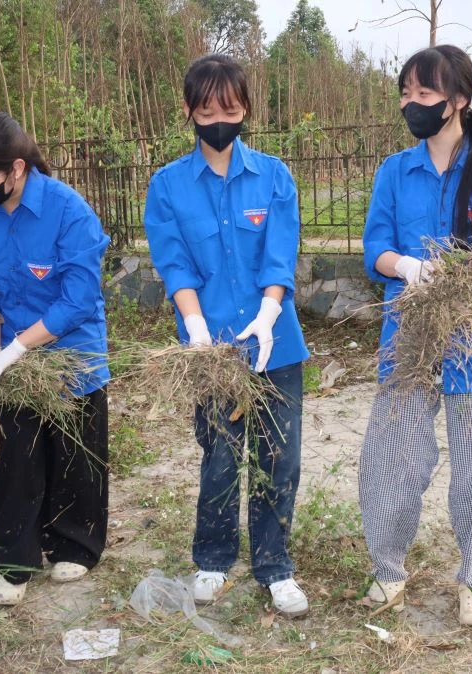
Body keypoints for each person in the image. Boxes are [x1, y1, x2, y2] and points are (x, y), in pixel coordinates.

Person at [358, 45, 472, 627]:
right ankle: (388, 569)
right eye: (406, 93)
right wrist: (407, 267)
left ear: (457, 101)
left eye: (423, 94)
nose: (412, 104)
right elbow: (373, 250)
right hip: (409, 342)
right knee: (393, 458)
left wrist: (466, 277)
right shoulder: (394, 172)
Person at [144, 54, 310, 618]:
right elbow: (175, 265)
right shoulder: (166, 186)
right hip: (211, 351)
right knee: (219, 454)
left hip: (274, 343)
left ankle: (275, 566)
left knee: (278, 457)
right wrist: (194, 329)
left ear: (246, 110)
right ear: (190, 110)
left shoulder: (273, 176)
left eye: (232, 107)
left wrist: (267, 316)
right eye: (209, 107)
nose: (221, 117)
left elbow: (280, 257)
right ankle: (212, 557)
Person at [0, 108, 111, 606]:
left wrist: (20, 346)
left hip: (73, 354)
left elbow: (78, 299)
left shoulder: (69, 211)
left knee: (75, 454)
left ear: (16, 168)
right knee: (17, 458)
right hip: (13, 362)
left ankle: (75, 544)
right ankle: (14, 558)